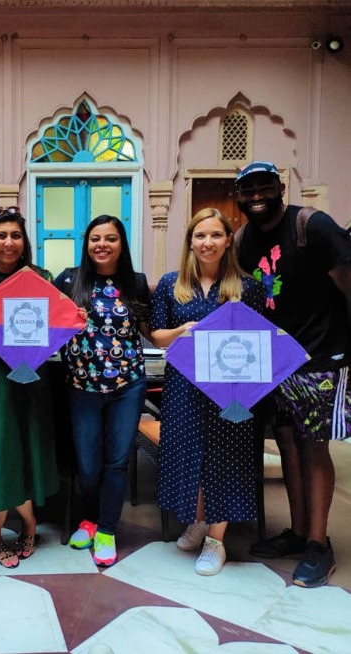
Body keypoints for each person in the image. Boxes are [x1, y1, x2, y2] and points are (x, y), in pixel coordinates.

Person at [235, 161, 351, 588]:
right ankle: (300, 532)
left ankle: (320, 545)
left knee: (314, 446)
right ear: (239, 196)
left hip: (323, 355)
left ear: (280, 187)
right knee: (287, 443)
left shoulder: (313, 226)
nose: (257, 196)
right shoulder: (244, 240)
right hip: (278, 358)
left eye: (264, 186)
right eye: (247, 190)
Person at [149, 208, 266, 575]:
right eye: (200, 235)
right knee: (189, 457)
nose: (207, 242)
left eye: (215, 235)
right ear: (190, 241)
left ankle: (216, 541)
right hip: (184, 384)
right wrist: (184, 329)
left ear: (228, 240)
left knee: (226, 460)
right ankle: (199, 519)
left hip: (230, 388)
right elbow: (156, 334)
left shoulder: (248, 288)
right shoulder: (171, 284)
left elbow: (260, 344)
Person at [55, 215, 151, 567]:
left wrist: (187, 331)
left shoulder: (136, 283)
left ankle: (107, 529)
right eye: (95, 238)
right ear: (86, 243)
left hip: (128, 384)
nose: (102, 245)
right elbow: (49, 325)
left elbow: (149, 331)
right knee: (88, 463)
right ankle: (89, 520)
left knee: (117, 460)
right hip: (82, 385)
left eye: (110, 238)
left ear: (121, 244)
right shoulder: (70, 279)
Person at [0, 207, 59, 569]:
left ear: (24, 242)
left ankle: (29, 523)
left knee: (26, 449)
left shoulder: (42, 278)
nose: (9, 242)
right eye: (1, 235)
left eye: (16, 235)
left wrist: (73, 318)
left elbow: (57, 326)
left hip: (30, 377)